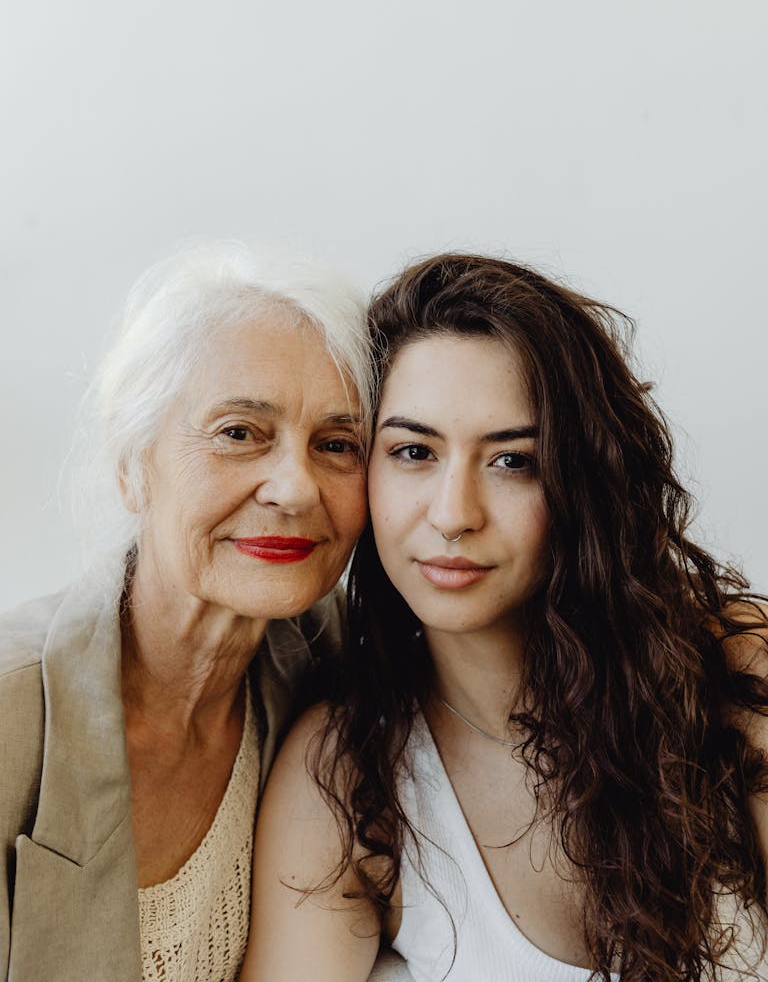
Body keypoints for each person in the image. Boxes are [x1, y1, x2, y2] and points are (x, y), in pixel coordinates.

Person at [243, 253, 768, 982]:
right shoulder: (345, 775)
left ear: (586, 479)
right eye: (413, 451)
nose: (454, 515)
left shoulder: (737, 670)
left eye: (513, 461)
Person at [0, 241, 374, 982]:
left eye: (336, 444)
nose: (295, 489)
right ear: (132, 465)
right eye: (240, 433)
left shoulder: (343, 673)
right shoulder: (10, 712)